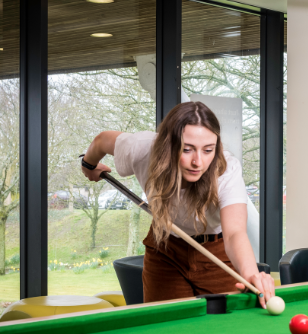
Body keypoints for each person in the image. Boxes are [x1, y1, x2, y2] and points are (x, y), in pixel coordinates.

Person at [81, 102, 276, 306]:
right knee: (165, 327)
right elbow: (102, 141)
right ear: (168, 145)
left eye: (208, 150)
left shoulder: (225, 171)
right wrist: (88, 164)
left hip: (216, 252)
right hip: (165, 248)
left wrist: (252, 274)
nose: (198, 162)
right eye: (187, 149)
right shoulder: (142, 148)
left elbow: (234, 232)